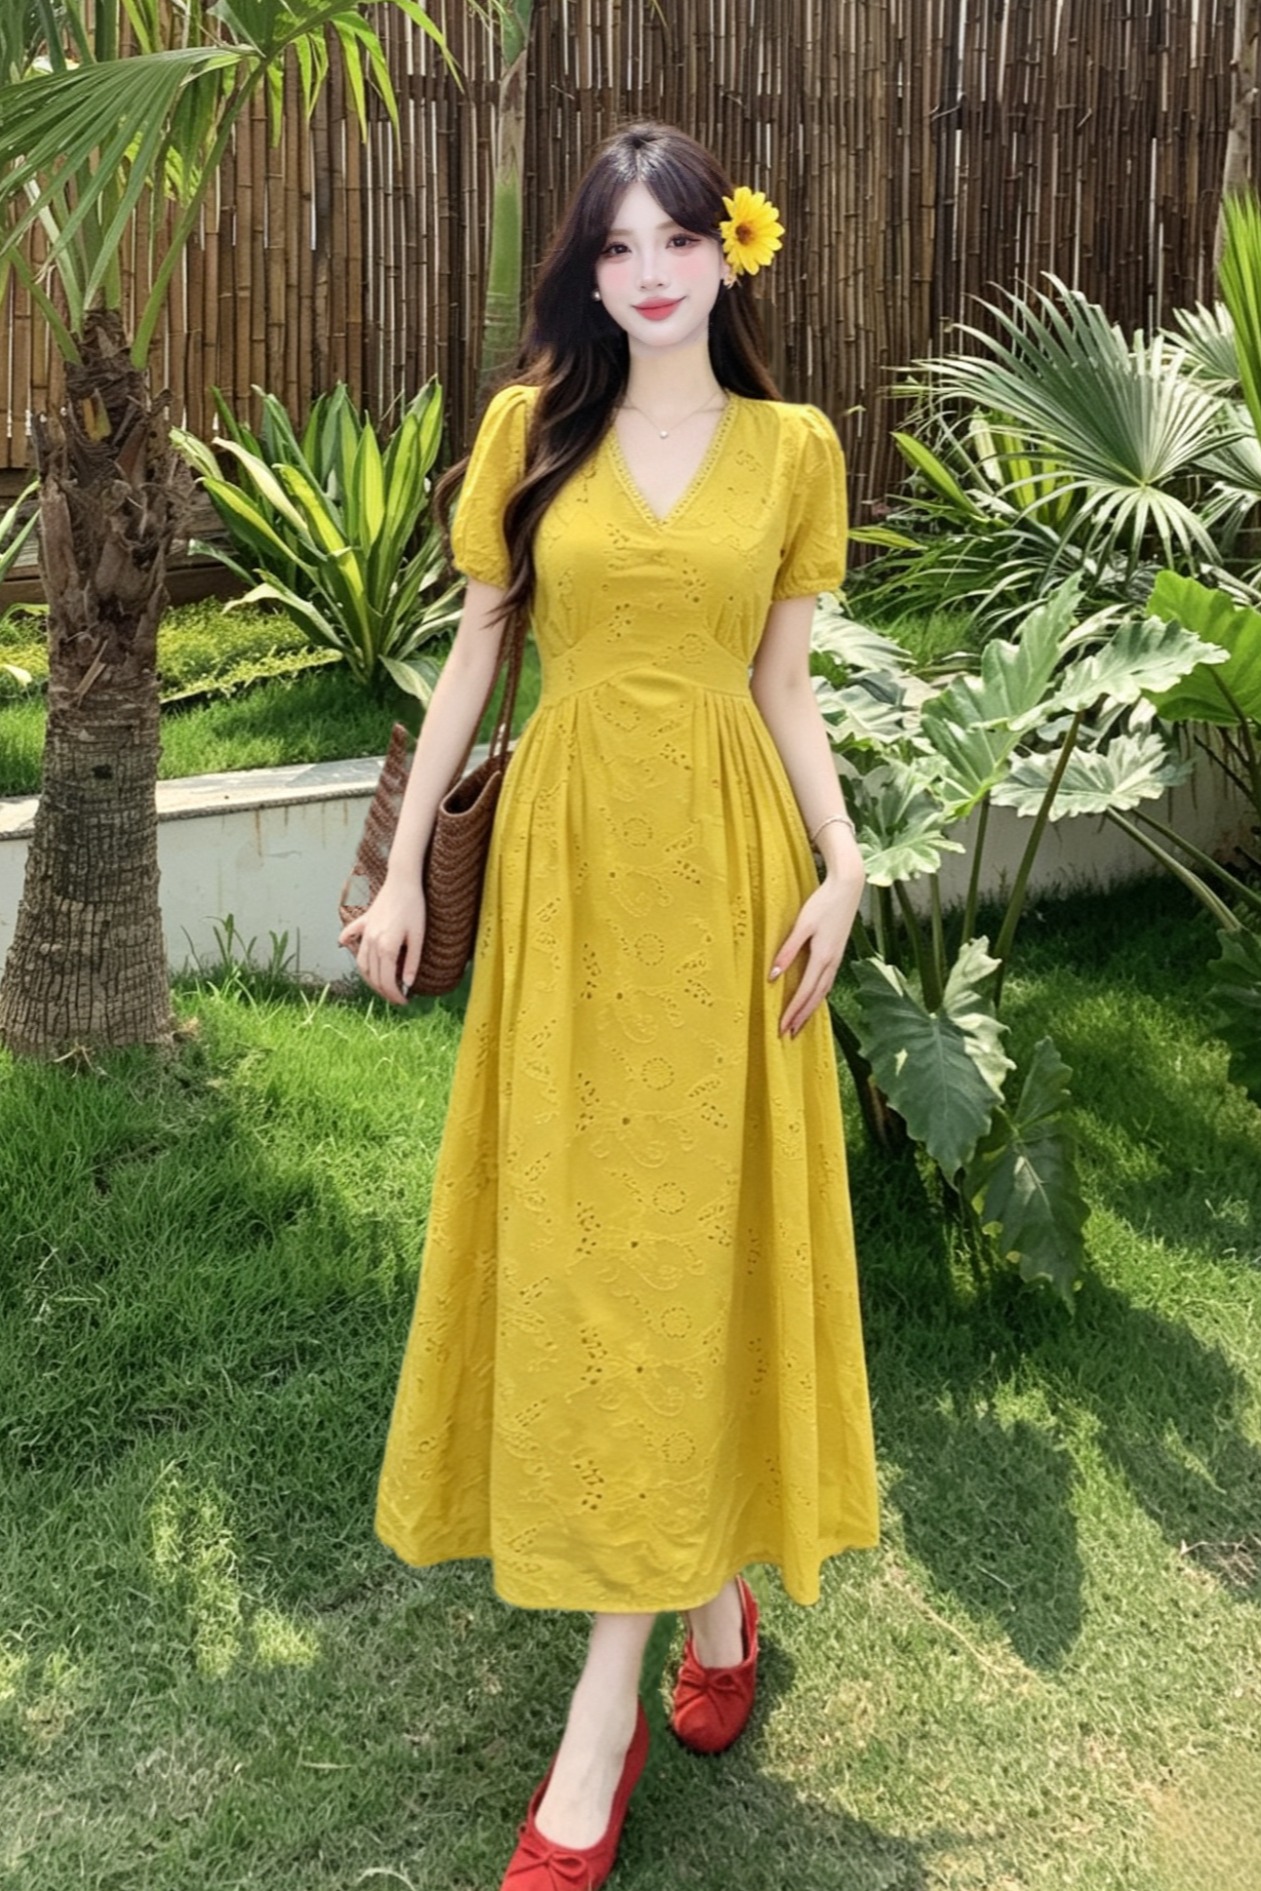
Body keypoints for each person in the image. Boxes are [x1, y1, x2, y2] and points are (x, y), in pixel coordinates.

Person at [340, 121, 879, 1891]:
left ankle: (601, 1720)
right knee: (600, 1249)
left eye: (676, 242)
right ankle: (706, 1595)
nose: (647, 274)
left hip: (728, 883)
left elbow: (784, 686)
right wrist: (403, 867)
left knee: (683, 1245)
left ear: (731, 255)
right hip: (571, 880)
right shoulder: (533, 430)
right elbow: (479, 645)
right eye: (615, 248)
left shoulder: (794, 450)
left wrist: (843, 861)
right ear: (587, 270)